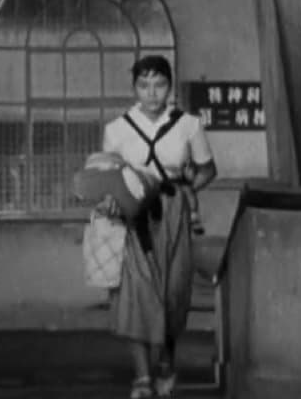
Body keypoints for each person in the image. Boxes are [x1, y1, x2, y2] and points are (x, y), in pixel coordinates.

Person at [95, 55, 217, 398]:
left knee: (173, 293)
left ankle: (166, 359)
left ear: (170, 87)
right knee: (136, 293)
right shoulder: (117, 129)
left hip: (174, 213)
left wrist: (188, 189)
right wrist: (113, 199)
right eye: (144, 85)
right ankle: (142, 377)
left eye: (159, 85)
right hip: (134, 215)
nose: (152, 93)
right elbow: (108, 176)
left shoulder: (188, 124)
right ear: (134, 88)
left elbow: (208, 170)